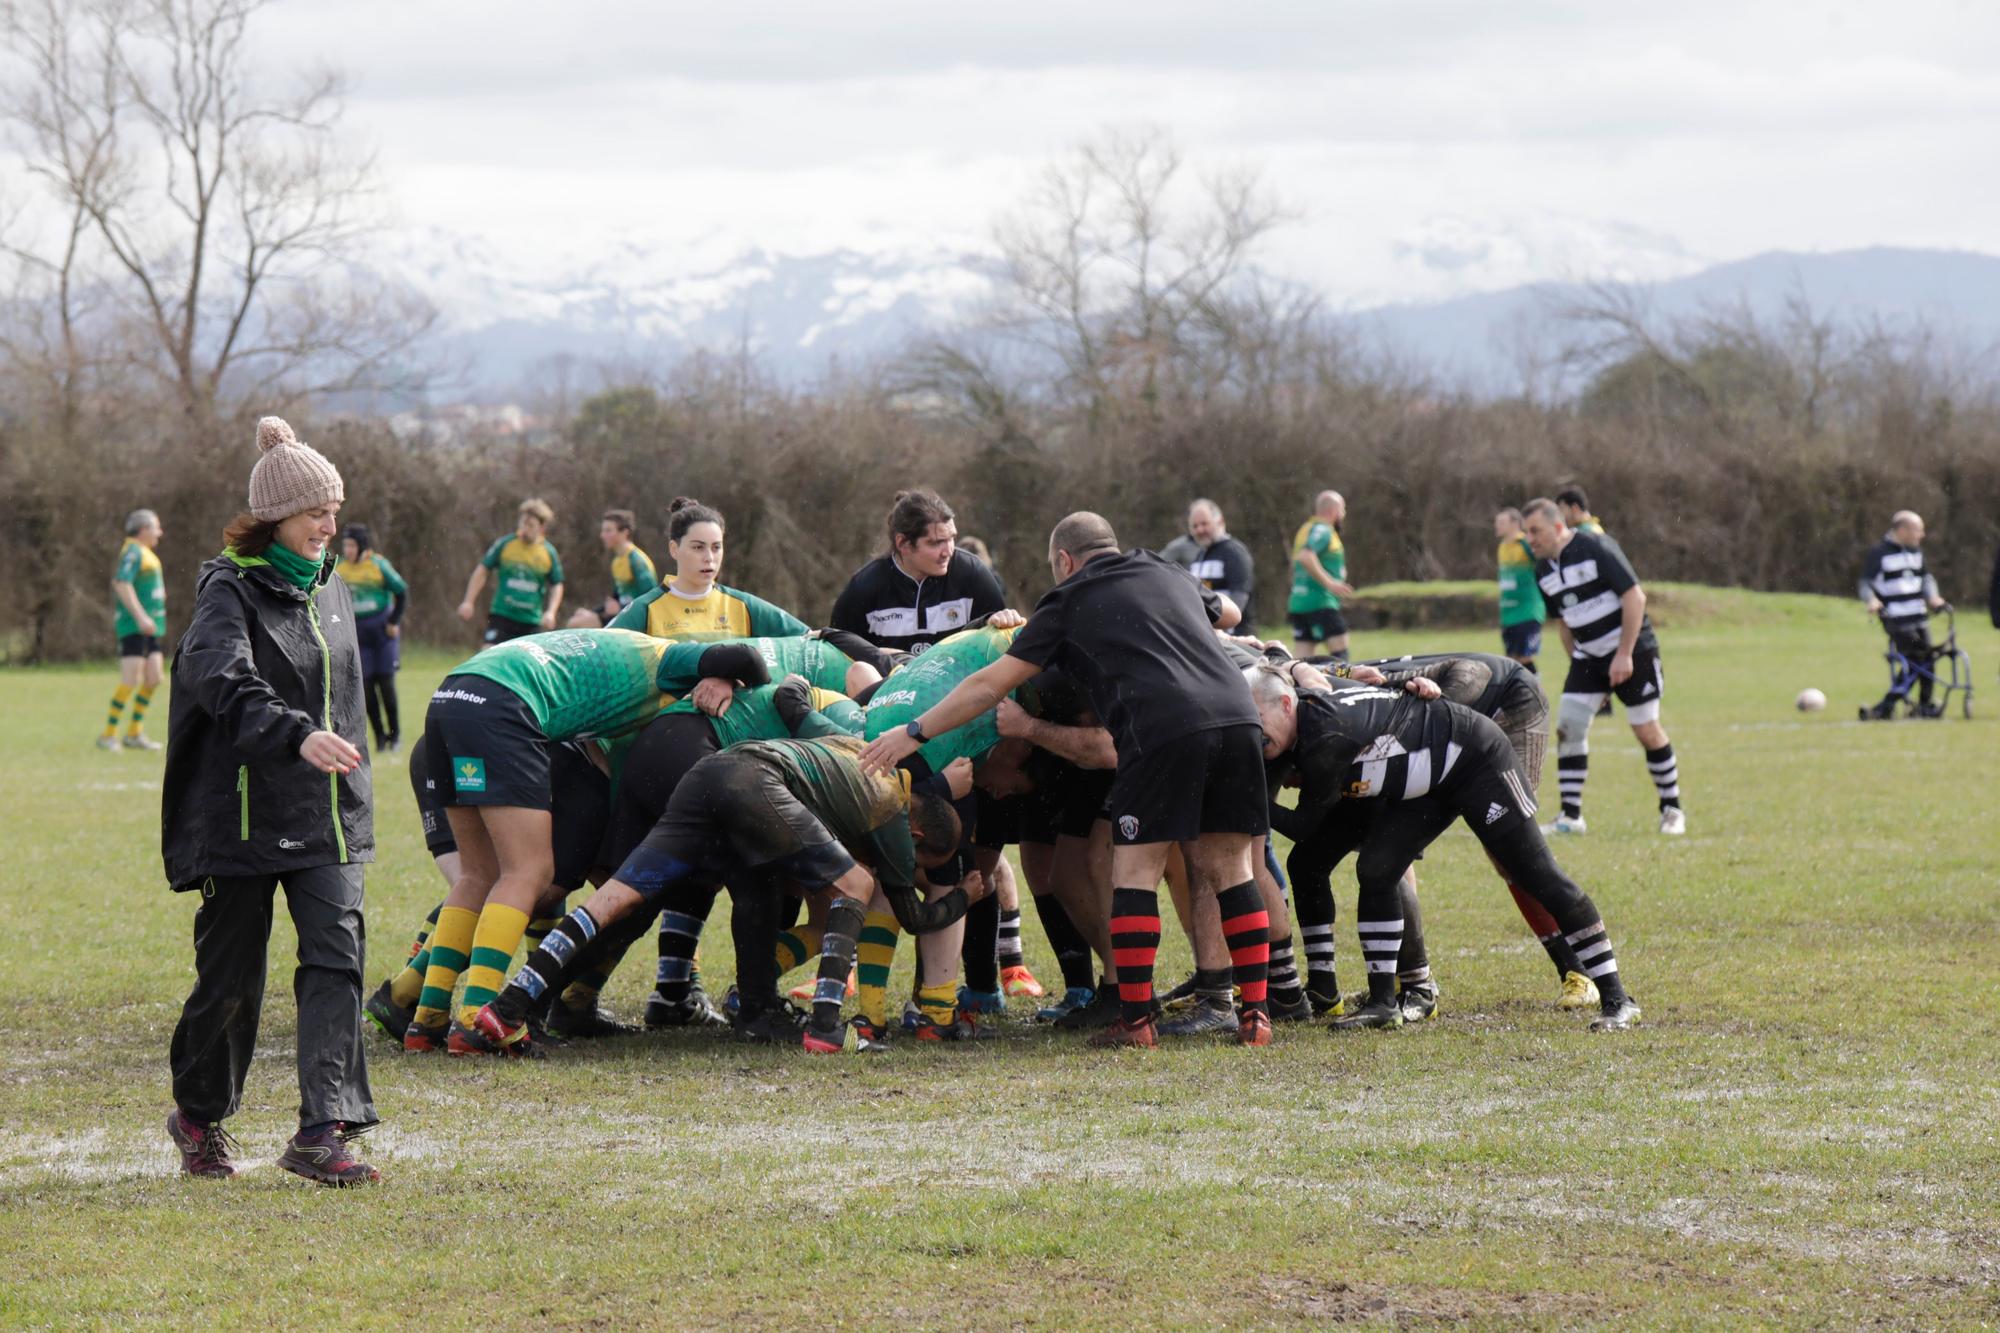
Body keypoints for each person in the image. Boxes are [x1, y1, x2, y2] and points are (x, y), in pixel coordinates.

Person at [859, 512, 1273, 1050]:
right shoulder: (1163, 566)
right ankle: (1255, 1015)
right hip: (1239, 718)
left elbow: (989, 686)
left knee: (1135, 872)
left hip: (1159, 728)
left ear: (1064, 561)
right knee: (1233, 869)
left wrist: (914, 731)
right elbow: (1233, 612)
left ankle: (1137, 1020)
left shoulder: (1068, 599)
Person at [162, 416, 379, 1186]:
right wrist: (297, 736)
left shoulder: (335, 592)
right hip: (241, 818)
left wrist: (343, 772)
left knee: (337, 960)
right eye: (316, 511)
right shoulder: (227, 591)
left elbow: (346, 699)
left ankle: (323, 1129)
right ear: (273, 519)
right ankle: (198, 1114)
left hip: (327, 814)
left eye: (333, 508)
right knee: (231, 982)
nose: (330, 524)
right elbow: (221, 679)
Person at [469, 732, 979, 1056]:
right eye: (921, 865)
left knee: (614, 899)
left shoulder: (859, 747)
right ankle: (827, 1028)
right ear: (917, 837)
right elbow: (910, 915)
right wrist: (964, 897)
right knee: (859, 884)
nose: (913, 872)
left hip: (710, 773)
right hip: (754, 782)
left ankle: (510, 1006)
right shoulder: (894, 806)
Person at [1245, 665, 1641, 1032]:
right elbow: (1376, 686)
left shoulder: (1326, 737)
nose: (1257, 737)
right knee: (1376, 869)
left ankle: (1618, 998)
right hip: (1427, 780)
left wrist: (1253, 801)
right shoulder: (1308, 704)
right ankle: (1383, 1003)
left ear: (1285, 704)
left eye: (1259, 724)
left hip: (1476, 757)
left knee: (1537, 874)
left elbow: (1303, 828)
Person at [406, 626, 677, 1053]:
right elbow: (740, 661)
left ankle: (424, 1016)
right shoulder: (659, 658)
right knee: (530, 872)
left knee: (479, 875)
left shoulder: (608, 646)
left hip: (449, 702)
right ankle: (476, 1018)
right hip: (502, 716)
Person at [1522, 498, 1685, 836]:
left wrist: (1624, 654)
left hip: (1634, 650)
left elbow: (1634, 597)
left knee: (1645, 729)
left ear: (1556, 527)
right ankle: (1570, 817)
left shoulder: (1595, 546)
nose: (1530, 539)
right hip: (1589, 658)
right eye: (1526, 533)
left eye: (1535, 531)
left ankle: (1672, 810)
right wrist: (1580, 667)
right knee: (1569, 725)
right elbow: (1564, 623)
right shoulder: (1542, 571)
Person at [831, 489, 1006, 656]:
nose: (948, 551)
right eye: (936, 543)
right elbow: (839, 659)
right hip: (889, 685)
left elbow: (1000, 647)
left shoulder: (973, 575)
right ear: (903, 543)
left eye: (951, 538)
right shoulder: (863, 588)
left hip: (962, 685)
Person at [608, 497, 806, 638]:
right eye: (698, 547)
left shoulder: (744, 606)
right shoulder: (646, 609)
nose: (709, 558)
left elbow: (808, 638)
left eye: (716, 547)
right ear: (674, 549)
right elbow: (598, 651)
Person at [1859, 511, 1949, 720]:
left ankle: (1924, 704)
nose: (1922, 534)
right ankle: (1887, 705)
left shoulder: (1915, 552)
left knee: (1929, 658)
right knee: (1917, 659)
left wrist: (1933, 597)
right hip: (1896, 618)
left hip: (1919, 615)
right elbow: (1865, 583)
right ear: (1902, 530)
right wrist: (1871, 600)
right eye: (1918, 529)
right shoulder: (1879, 553)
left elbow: (1926, 579)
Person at [334, 525, 408, 753]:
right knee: (365, 688)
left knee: (386, 684)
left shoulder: (378, 565)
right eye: (345, 545)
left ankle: (395, 736)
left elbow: (402, 591)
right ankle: (379, 738)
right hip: (358, 635)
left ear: (362, 546)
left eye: (352, 545)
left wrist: (394, 621)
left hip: (382, 634)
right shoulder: (339, 569)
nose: (347, 550)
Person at [103, 508, 168, 751]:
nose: (159, 532)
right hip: (135, 627)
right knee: (131, 679)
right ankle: (108, 735)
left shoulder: (144, 552)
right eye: (156, 527)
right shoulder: (132, 550)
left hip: (151, 628)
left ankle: (134, 733)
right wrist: (141, 616)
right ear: (143, 530)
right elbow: (121, 583)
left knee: (154, 678)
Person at [458, 498, 564, 644]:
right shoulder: (506, 544)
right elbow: (482, 570)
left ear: (542, 528)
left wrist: (551, 612)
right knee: (489, 654)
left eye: (530, 525)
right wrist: (468, 601)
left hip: (530, 620)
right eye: (522, 523)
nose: (524, 529)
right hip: (503, 615)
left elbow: (557, 584)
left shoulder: (548, 552)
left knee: (526, 663)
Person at [1288, 490, 1354, 661]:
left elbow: (1298, 560)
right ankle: (1344, 685)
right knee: (1341, 654)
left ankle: (1298, 686)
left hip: (1299, 601)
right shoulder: (1323, 530)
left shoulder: (1305, 529)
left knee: (1302, 659)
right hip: (1321, 602)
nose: (1344, 514)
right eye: (1343, 509)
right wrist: (1330, 583)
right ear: (1334, 510)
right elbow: (1305, 556)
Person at [1494, 507, 1544, 674]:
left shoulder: (1526, 544)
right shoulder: (1502, 546)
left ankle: (1536, 695)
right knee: (1511, 660)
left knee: (1524, 658)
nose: (1497, 526)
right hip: (1508, 613)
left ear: (1516, 523)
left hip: (1528, 611)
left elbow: (1543, 565)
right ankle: (1519, 698)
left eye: (1501, 522)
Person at [1185, 499, 1256, 614]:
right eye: (1195, 526)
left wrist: (1220, 628)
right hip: (1206, 630)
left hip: (1234, 631)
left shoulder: (1234, 552)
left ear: (1220, 522)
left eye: (1204, 523)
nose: (1199, 530)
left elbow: (1239, 599)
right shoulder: (1199, 555)